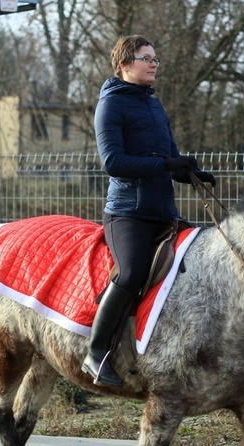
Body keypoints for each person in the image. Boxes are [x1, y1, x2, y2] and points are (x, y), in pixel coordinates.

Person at [85, 35, 216, 387]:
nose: (154, 63)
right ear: (125, 64)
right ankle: (96, 353)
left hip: (163, 211)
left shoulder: (155, 106)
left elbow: (167, 161)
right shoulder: (110, 105)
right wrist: (165, 164)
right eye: (147, 58)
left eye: (156, 58)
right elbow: (113, 162)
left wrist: (189, 172)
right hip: (127, 213)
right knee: (130, 273)